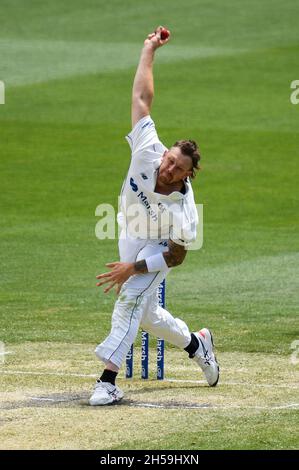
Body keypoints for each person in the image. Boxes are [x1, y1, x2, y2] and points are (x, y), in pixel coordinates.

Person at [90, 26, 219, 406]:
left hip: (158, 247)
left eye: (177, 168)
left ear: (187, 175)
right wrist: (149, 49)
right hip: (128, 228)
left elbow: (176, 257)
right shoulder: (149, 148)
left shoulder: (184, 213)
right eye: (168, 160)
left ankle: (107, 380)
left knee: (130, 299)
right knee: (146, 315)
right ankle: (198, 344)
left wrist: (133, 268)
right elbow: (141, 97)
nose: (167, 169)